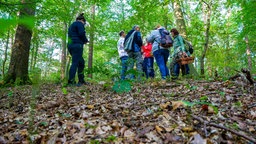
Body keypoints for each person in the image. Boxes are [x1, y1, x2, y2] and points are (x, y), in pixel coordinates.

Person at [67, 13, 89, 86]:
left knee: (81, 62)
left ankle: (81, 80)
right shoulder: (79, 23)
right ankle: (71, 81)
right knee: (75, 62)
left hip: (71, 45)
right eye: (84, 23)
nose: (84, 24)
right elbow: (82, 33)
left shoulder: (71, 26)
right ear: (82, 20)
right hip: (77, 45)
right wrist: (85, 40)